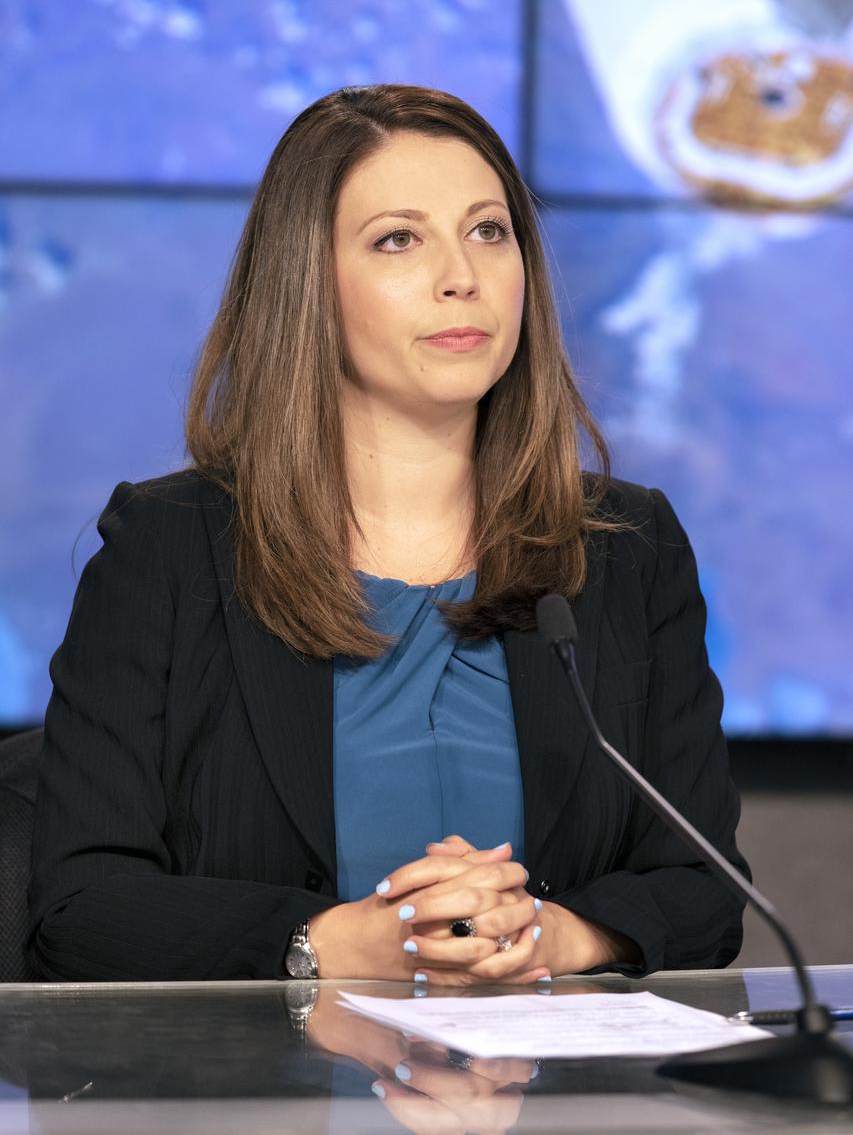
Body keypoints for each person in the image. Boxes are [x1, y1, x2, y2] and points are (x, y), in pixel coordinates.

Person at [27, 84, 749, 984]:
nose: (463, 275)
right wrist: (333, 944)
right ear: (308, 284)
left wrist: (556, 937)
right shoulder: (169, 544)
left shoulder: (627, 545)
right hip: (262, 1109)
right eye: (398, 239)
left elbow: (705, 888)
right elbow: (79, 906)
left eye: (488, 231)